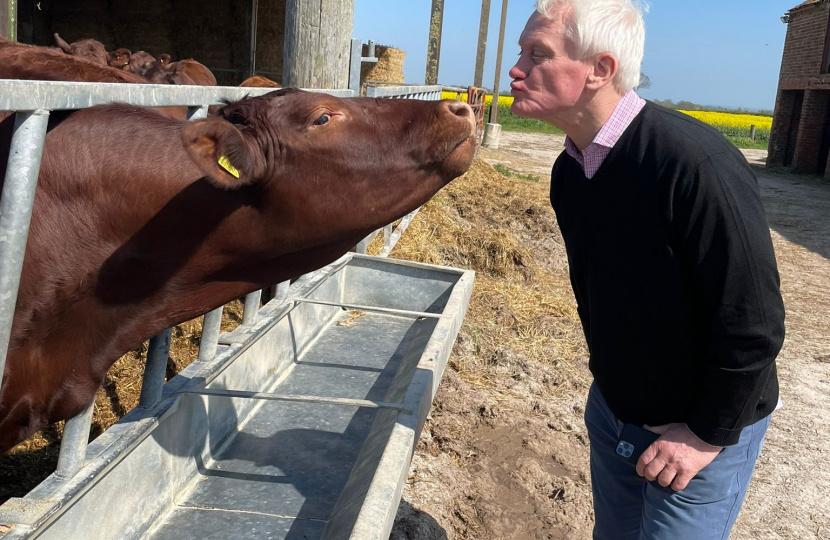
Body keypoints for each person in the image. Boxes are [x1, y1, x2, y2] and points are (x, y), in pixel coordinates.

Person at [507, 1, 786, 539]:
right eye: (522, 52)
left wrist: (705, 435)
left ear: (600, 70)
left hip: (696, 434)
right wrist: (612, 394)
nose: (516, 70)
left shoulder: (693, 165)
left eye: (537, 54)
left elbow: (753, 324)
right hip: (616, 414)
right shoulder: (571, 170)